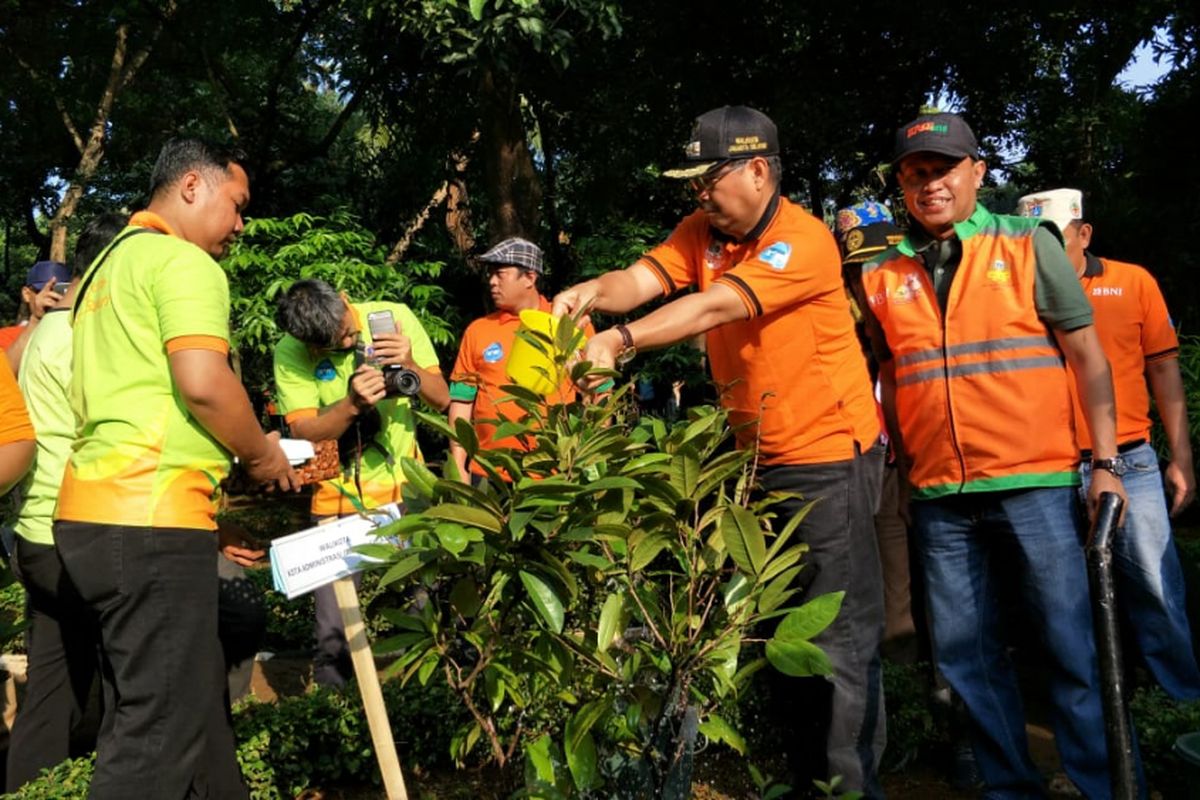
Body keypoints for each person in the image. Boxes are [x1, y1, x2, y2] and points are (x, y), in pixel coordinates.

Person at [553, 106, 886, 796]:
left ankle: (850, 788)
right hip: (757, 462)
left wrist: (619, 342)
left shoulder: (804, 240)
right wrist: (591, 295)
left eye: (709, 179)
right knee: (772, 632)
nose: (698, 195)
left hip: (828, 459)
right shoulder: (701, 232)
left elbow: (713, 309)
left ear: (758, 170)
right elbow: (641, 280)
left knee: (835, 639)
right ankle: (806, 783)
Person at [857, 112, 1128, 798]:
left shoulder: (1026, 244)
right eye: (916, 173)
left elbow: (1087, 355)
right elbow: (886, 376)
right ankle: (1012, 789)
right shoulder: (882, 276)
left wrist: (1106, 463)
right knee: (967, 659)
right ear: (900, 184)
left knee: (1069, 648)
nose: (931, 184)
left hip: (1034, 484)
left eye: (945, 168)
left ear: (977, 173)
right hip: (942, 497)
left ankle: (1102, 785)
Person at [53, 138, 298, 799]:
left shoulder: (102, 271)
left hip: (90, 517)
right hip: (150, 517)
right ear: (194, 186)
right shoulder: (182, 264)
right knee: (156, 734)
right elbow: (203, 383)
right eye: (237, 205)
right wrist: (263, 453)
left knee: (176, 705)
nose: (241, 226)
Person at [1017, 187, 1200, 700]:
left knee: (1156, 587)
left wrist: (1180, 457)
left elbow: (1164, 369)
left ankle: (1180, 709)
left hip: (1129, 459)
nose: (1043, 250)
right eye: (1032, 239)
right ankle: (1094, 720)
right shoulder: (1013, 293)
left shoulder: (1131, 282)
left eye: (1054, 238)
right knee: (1062, 603)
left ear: (1084, 233)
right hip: (1043, 468)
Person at [274, 278, 448, 686]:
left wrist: (409, 366)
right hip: (337, 497)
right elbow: (304, 433)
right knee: (332, 636)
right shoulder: (290, 350)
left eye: (350, 332)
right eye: (334, 345)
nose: (349, 342)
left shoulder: (394, 318)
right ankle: (336, 715)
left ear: (347, 301)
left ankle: (432, 701)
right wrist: (351, 405)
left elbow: (443, 398)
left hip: (406, 488)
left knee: (426, 612)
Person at [448, 237, 593, 483]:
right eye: (490, 274)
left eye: (500, 274)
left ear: (529, 278)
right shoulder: (478, 330)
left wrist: (590, 462)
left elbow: (598, 394)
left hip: (554, 474)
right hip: (487, 473)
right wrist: (459, 465)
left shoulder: (570, 326)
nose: (491, 282)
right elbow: (461, 402)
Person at [2, 259, 71, 373]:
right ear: (27, 294)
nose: (51, 297)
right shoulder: (7, 336)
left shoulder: (77, 333)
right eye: (41, 290)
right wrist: (36, 319)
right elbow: (5, 374)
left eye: (58, 292)